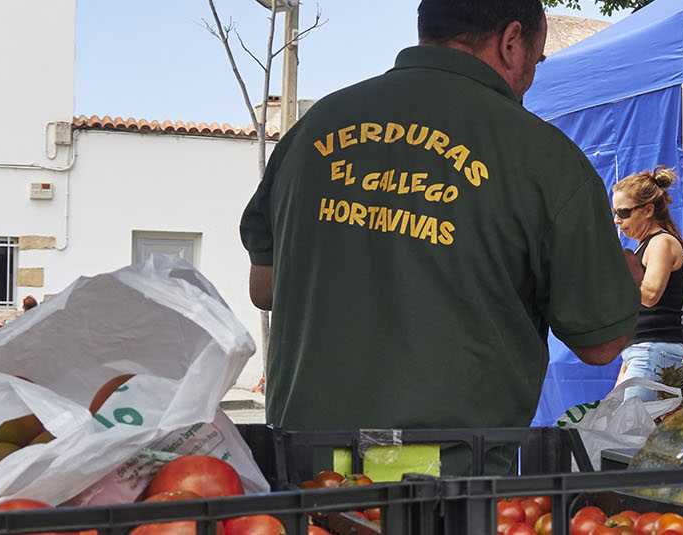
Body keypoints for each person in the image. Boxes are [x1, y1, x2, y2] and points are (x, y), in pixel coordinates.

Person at [239, 0, 640, 434]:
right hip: (454, 477)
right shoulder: (545, 158)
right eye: (537, 57)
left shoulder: (314, 128)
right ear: (510, 42)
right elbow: (601, 344)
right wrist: (625, 276)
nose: (533, 73)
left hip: (307, 464)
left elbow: (264, 287)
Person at [611, 166, 683, 401]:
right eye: (615, 212)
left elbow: (651, 294)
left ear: (647, 210)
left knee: (628, 432)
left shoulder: (660, 242)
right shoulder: (647, 244)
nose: (617, 220)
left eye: (623, 212)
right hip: (645, 350)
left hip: (653, 350)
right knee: (632, 430)